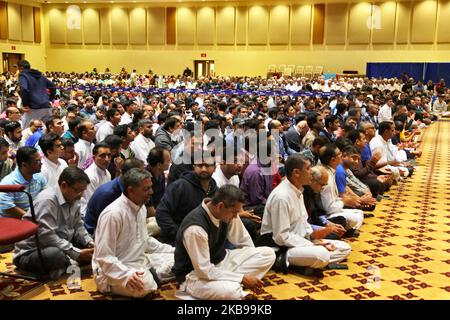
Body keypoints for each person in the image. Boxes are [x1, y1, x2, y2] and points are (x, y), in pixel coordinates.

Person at [173, 185, 275, 300]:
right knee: (231, 292)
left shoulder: (226, 214)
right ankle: (234, 286)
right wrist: (242, 278)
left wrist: (250, 258)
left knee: (268, 253)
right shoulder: (196, 229)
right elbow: (204, 271)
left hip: (221, 262)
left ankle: (230, 281)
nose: (237, 216)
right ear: (220, 206)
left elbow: (244, 241)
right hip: (194, 276)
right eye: (234, 212)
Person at [259, 154, 351, 273]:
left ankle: (307, 263)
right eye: (308, 168)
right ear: (297, 173)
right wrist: (310, 244)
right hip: (282, 247)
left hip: (299, 241)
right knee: (322, 254)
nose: (311, 172)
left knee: (344, 248)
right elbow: (281, 237)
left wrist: (315, 237)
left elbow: (303, 223)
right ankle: (283, 260)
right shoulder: (281, 196)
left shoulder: (298, 190)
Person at [93, 168, 175, 298]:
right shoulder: (113, 214)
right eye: (146, 189)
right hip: (112, 272)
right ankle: (151, 277)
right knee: (145, 285)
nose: (151, 192)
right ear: (131, 190)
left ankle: (152, 275)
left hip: (139, 262)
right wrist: (126, 275)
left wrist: (173, 250)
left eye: (151, 187)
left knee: (181, 259)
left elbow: (145, 241)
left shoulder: (141, 208)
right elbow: (104, 257)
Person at [13, 167, 93, 280]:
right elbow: (46, 237)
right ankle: (68, 262)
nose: (81, 195)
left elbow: (78, 225)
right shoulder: (47, 200)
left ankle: (68, 262)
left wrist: (89, 242)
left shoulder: (74, 198)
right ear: (64, 185)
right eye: (77, 190)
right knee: (55, 255)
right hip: (33, 251)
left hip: (62, 242)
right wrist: (76, 253)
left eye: (83, 191)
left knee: (93, 240)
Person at [156, 158, 218, 245]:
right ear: (194, 167)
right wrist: (179, 234)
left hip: (205, 240)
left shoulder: (216, 190)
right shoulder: (180, 186)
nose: (203, 169)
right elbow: (161, 213)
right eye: (200, 165)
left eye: (207, 165)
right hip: (177, 241)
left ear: (214, 168)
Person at [84, 158, 144, 235]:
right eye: (141, 174)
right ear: (131, 176)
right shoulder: (108, 193)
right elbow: (103, 225)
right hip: (98, 232)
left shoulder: (129, 187)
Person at [319, 144, 364, 232]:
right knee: (354, 218)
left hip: (335, 208)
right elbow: (329, 209)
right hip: (328, 215)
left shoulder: (332, 171)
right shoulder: (326, 177)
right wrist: (343, 201)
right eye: (339, 154)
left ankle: (346, 229)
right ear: (333, 160)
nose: (342, 156)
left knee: (359, 213)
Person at [0, 146, 47, 218]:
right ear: (24, 165)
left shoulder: (39, 176)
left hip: (33, 216)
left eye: (40, 160)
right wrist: (31, 217)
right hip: (13, 222)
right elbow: (8, 207)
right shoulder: (9, 182)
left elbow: (45, 196)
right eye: (37, 161)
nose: (41, 163)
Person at [17, 60, 56, 129]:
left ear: (21, 68)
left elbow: (24, 89)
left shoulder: (23, 75)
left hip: (34, 107)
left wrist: (25, 104)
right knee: (51, 128)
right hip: (46, 106)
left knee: (26, 130)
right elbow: (53, 86)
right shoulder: (40, 75)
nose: (18, 71)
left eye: (18, 68)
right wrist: (49, 99)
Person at [80, 142, 112, 216]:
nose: (107, 159)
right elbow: (92, 203)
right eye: (102, 156)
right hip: (88, 214)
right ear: (94, 158)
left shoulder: (107, 173)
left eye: (109, 155)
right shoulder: (90, 176)